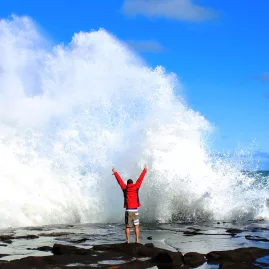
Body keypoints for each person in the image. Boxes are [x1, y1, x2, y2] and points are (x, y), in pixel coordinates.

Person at [112, 165, 148, 244]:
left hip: (128, 210)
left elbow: (119, 181)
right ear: (132, 183)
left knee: (128, 226)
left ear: (127, 183)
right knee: (136, 226)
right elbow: (140, 179)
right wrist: (145, 170)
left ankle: (128, 241)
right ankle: (137, 241)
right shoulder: (136, 187)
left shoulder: (125, 188)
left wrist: (115, 172)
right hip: (135, 209)